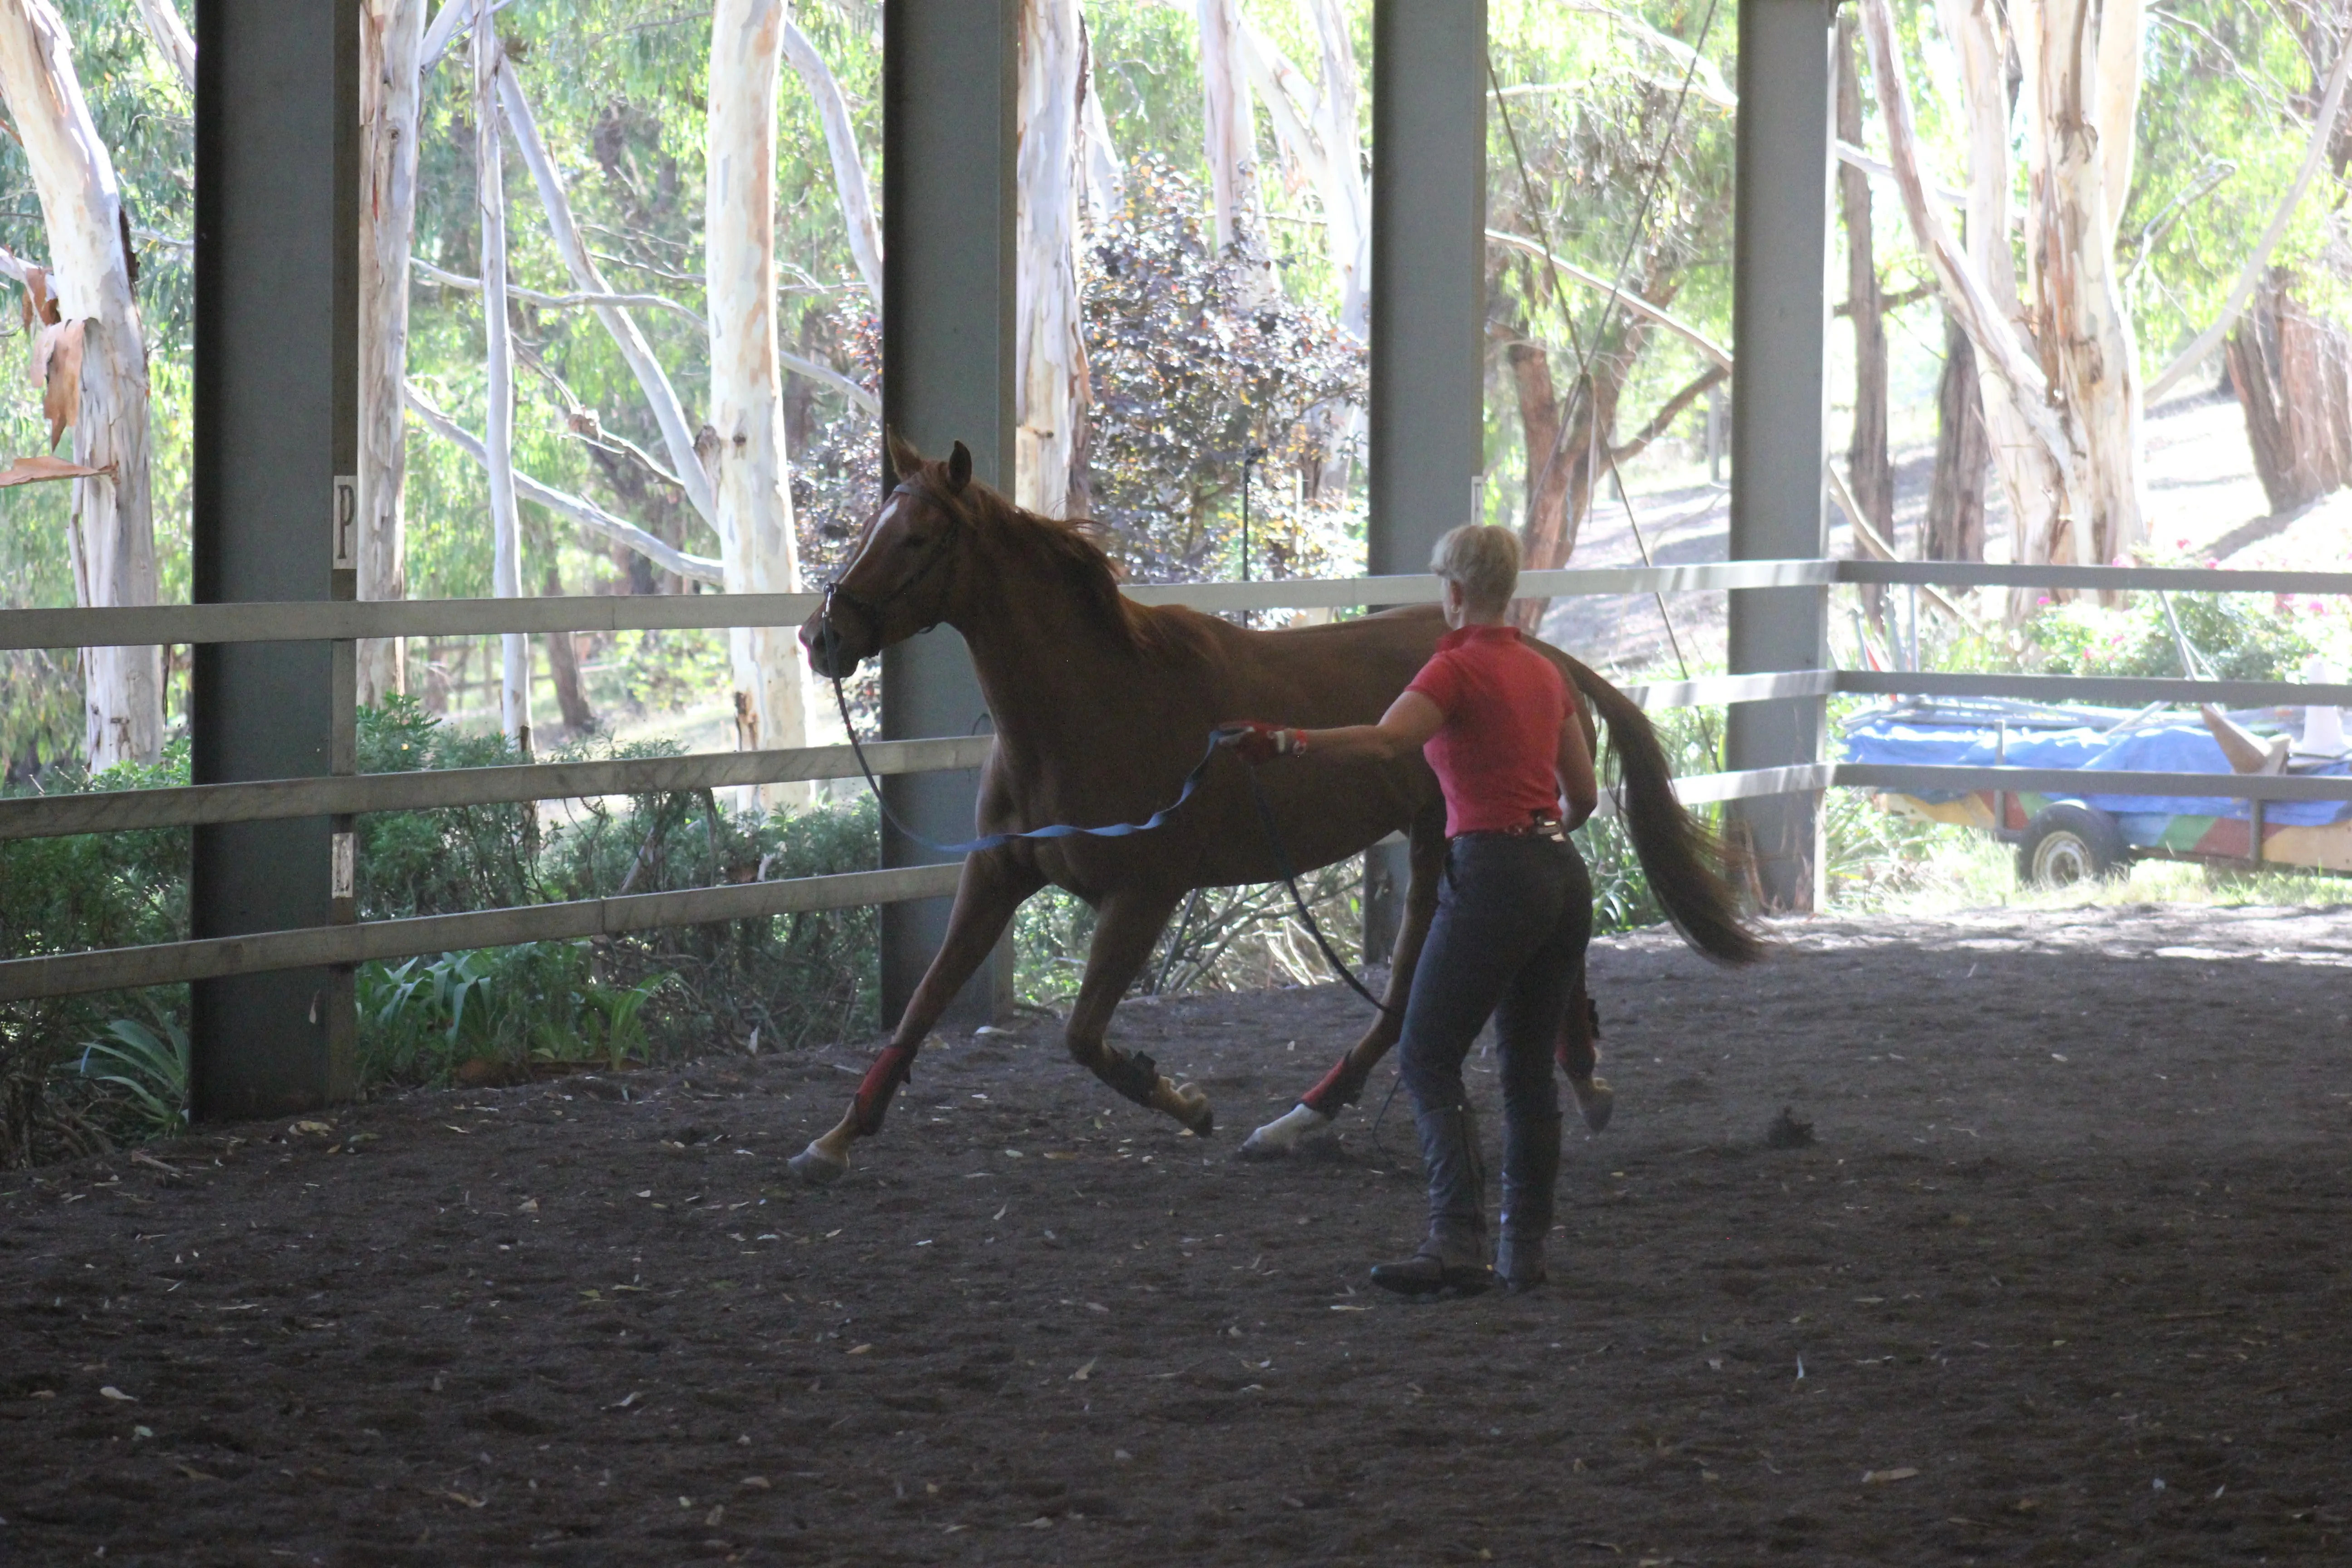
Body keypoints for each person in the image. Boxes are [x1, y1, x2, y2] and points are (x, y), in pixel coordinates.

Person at [1219, 524, 1598, 1296]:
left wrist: (1288, 742)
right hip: (1562, 874)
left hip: (1492, 873)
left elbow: (1387, 743)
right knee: (1526, 1072)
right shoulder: (1544, 671)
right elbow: (1583, 796)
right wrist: (1537, 830)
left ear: (1453, 592)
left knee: (1428, 1055)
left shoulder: (1454, 668)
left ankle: (1455, 1241)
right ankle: (1523, 1250)